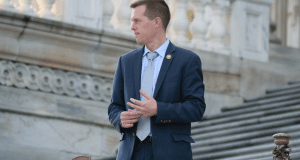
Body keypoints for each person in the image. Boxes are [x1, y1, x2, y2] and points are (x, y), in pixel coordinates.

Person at [108, 0, 206, 159]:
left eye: (137, 21)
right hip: (131, 153)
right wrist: (120, 118)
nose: (132, 26)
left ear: (157, 22)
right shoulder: (126, 62)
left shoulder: (187, 60)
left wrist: (158, 109)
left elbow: (196, 108)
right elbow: (114, 106)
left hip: (170, 153)